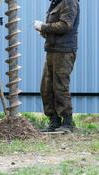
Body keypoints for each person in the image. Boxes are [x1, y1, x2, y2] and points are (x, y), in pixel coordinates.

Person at [34, 0, 80, 133]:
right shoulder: (57, 3)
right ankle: (54, 121)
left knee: (60, 86)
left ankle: (67, 122)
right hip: (52, 50)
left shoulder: (69, 1)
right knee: (46, 87)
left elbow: (66, 26)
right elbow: (57, 26)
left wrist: (44, 27)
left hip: (64, 51)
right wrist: (45, 32)